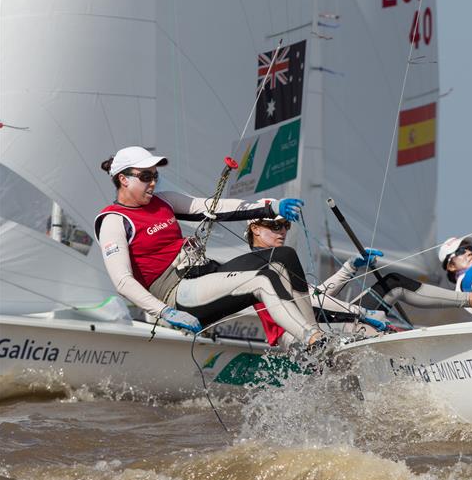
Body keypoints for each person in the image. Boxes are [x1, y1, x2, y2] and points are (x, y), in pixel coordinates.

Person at [94, 145, 326, 347]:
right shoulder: (114, 220)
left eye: (155, 176)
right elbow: (123, 282)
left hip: (206, 273)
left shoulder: (164, 201)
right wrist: (165, 312)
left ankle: (315, 340)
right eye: (146, 176)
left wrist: (270, 208)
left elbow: (213, 207)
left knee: (283, 256)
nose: (153, 182)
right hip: (178, 295)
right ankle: (311, 339)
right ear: (123, 179)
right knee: (262, 280)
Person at [241, 216, 472, 346]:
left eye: (285, 226)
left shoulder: (282, 259)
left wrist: (351, 267)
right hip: (298, 337)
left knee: (393, 283)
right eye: (275, 226)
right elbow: (309, 303)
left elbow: (314, 296)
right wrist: (364, 314)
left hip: (319, 321)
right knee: (387, 334)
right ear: (255, 229)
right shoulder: (259, 266)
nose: (282, 232)